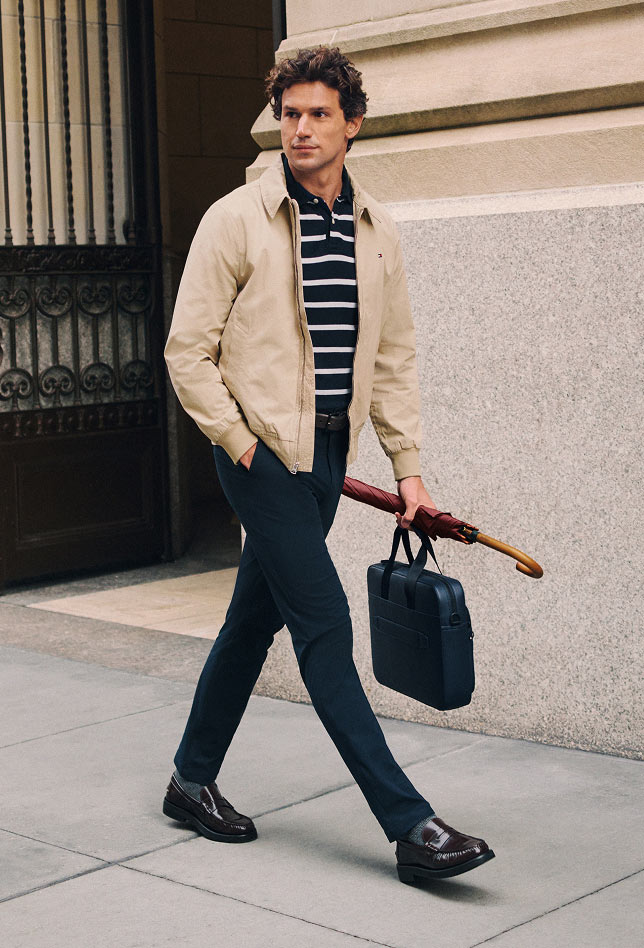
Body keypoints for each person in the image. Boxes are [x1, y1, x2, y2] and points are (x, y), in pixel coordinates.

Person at [163, 46, 494, 883]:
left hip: (328, 456)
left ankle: (189, 781)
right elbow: (186, 351)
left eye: (318, 114)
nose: (301, 129)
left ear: (353, 125)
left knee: (252, 621)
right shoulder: (236, 218)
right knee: (324, 628)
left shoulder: (374, 229)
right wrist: (239, 442)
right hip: (259, 456)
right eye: (290, 113)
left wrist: (408, 468)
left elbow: (392, 359)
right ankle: (410, 826)